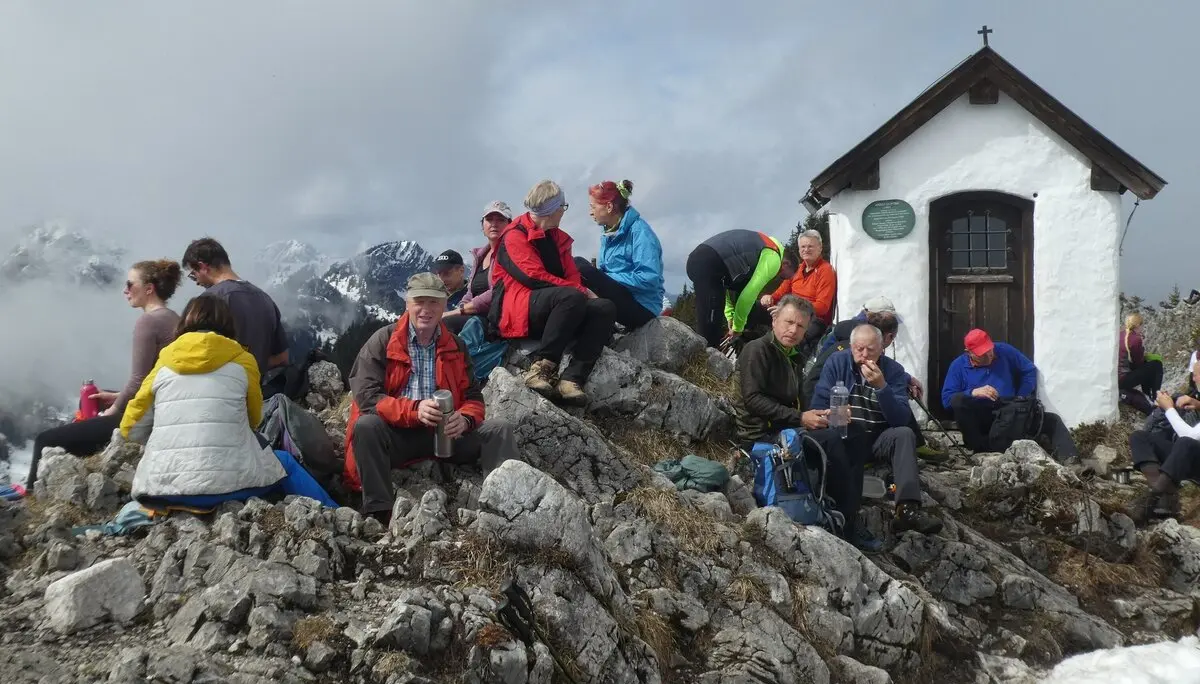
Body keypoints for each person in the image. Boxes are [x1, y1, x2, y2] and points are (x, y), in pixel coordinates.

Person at [120, 296, 334, 508]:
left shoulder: (163, 363)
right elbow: (254, 418)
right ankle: (336, 513)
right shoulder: (243, 360)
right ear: (228, 324)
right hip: (227, 486)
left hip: (159, 491)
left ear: (184, 323)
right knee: (285, 463)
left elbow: (130, 427)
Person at [346, 273, 521, 523]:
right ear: (407, 303)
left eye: (434, 302)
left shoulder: (456, 346)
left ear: (444, 305)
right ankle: (379, 510)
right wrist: (414, 410)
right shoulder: (383, 341)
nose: (426, 310)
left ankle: (506, 507)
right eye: (419, 301)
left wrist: (465, 420)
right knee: (366, 426)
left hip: (446, 435)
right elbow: (367, 396)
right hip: (398, 434)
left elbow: (473, 397)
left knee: (499, 429)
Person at [732, 295, 879, 551]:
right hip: (761, 434)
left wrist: (822, 415)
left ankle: (847, 509)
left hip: (787, 428)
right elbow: (753, 400)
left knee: (853, 432)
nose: (793, 330)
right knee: (831, 440)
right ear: (775, 320)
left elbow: (800, 403)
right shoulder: (757, 350)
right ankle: (847, 521)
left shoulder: (793, 355)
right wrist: (801, 418)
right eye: (788, 322)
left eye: (800, 326)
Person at [27, 260, 183, 487]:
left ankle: (31, 495)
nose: (125, 290)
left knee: (45, 440)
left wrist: (113, 410)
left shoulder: (149, 321)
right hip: (162, 405)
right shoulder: (172, 317)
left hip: (148, 415)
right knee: (97, 400)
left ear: (149, 288)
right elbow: (153, 377)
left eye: (130, 284)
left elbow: (138, 380)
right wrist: (118, 396)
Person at [488, 180, 617, 404]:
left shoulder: (558, 237)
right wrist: (582, 291)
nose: (563, 212)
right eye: (562, 207)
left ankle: (572, 379)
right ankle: (541, 368)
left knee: (604, 308)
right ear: (552, 210)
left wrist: (581, 292)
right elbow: (532, 277)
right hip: (518, 311)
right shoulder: (514, 235)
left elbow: (571, 275)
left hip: (556, 307)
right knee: (572, 295)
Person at [812, 324, 944, 535]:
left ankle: (907, 509)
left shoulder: (894, 371)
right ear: (851, 347)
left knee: (904, 434)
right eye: (859, 349)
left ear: (882, 349)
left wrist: (882, 387)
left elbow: (901, 419)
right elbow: (818, 404)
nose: (864, 355)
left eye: (870, 350)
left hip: (876, 438)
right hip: (845, 438)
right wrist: (833, 413)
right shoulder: (837, 362)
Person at [940, 329, 1079, 461]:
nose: (989, 355)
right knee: (959, 400)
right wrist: (973, 392)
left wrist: (1020, 398)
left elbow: (1029, 370)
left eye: (989, 350)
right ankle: (982, 449)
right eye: (982, 354)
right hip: (981, 416)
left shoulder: (1004, 350)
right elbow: (947, 400)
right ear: (969, 353)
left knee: (1052, 420)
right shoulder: (958, 366)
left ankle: (1072, 461)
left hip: (1009, 411)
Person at [182, 237, 289, 376]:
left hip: (218, 385)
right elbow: (282, 358)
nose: (196, 282)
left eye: (193, 275)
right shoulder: (266, 300)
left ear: (203, 267)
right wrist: (252, 366)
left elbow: (192, 355)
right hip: (254, 386)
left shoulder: (209, 301)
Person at [574, 179, 665, 330]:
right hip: (623, 296)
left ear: (609, 207)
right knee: (576, 264)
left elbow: (649, 278)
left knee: (582, 269)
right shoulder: (609, 232)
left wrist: (606, 277)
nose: (590, 212)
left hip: (642, 306)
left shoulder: (640, 232)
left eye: (593, 207)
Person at [685, 229, 794, 349]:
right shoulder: (774, 258)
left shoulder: (763, 245)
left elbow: (725, 286)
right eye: (782, 276)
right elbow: (748, 295)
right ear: (786, 264)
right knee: (710, 329)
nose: (778, 277)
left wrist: (730, 316)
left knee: (716, 310)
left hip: (703, 259)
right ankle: (705, 356)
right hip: (708, 263)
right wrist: (738, 327)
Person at [1126, 384, 1200, 525]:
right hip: (1187, 456)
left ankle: (1151, 499)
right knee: (1140, 437)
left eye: (1197, 375)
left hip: (1192, 454)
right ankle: (1166, 499)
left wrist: (1169, 409)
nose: (1195, 379)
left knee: (1185, 442)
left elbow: (1190, 436)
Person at [443, 201, 512, 335]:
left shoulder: (510, 253)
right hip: (474, 316)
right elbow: (470, 291)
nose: (494, 224)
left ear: (510, 225)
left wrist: (460, 311)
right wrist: (459, 307)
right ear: (482, 225)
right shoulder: (480, 255)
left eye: (500, 219)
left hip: (496, 318)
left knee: (446, 324)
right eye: (489, 219)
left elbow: (497, 292)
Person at [762, 229, 836, 345]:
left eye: (810, 246)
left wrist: (790, 310)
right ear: (799, 250)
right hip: (790, 313)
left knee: (787, 339)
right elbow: (779, 293)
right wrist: (768, 297)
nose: (806, 250)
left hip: (813, 318)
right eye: (803, 247)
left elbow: (822, 307)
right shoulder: (798, 269)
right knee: (756, 309)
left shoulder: (825, 270)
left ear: (820, 248)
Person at [1118, 313, 1163, 415]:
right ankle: (1156, 397)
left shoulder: (1121, 334)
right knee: (1156, 365)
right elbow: (1138, 362)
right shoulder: (1135, 339)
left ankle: (1148, 395)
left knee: (1147, 367)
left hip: (1118, 377)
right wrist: (1143, 353)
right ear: (1138, 325)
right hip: (1123, 380)